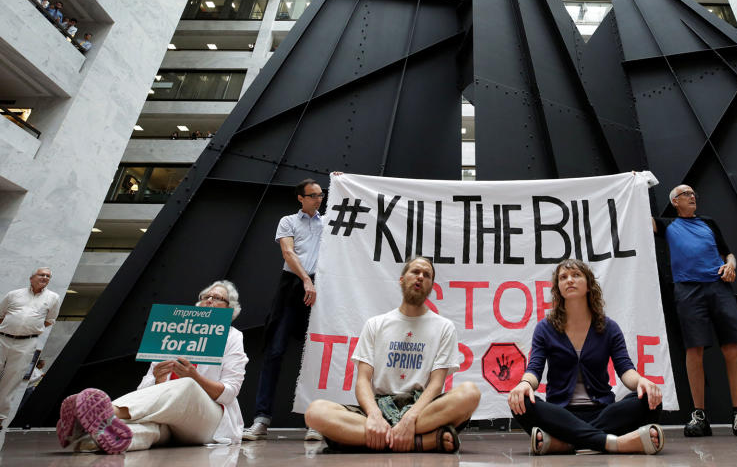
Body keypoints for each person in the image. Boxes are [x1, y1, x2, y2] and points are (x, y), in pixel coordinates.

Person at [305, 257, 480, 452]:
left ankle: (374, 439)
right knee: (315, 412)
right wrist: (374, 415)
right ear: (402, 279)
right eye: (415, 272)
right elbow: (363, 380)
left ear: (431, 285)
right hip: (380, 406)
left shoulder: (444, 327)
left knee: (470, 393)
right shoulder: (376, 324)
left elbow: (436, 384)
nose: (420, 277)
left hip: (422, 409)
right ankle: (422, 442)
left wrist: (411, 417)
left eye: (427, 275)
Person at [56, 281, 248, 453]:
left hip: (209, 420)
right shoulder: (174, 334)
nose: (209, 300)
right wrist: (158, 379)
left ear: (230, 309)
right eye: (206, 297)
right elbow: (144, 392)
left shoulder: (233, 337)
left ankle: (110, 411)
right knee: (151, 430)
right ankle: (87, 439)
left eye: (218, 298)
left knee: (188, 385)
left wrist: (195, 377)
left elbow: (230, 393)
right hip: (170, 420)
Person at [507, 260, 664, 455]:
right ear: (558, 289)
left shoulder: (609, 327)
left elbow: (625, 369)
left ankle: (567, 443)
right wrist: (524, 384)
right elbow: (534, 369)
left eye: (576, 275)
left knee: (650, 399)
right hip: (561, 414)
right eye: (563, 277)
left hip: (602, 411)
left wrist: (642, 382)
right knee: (520, 401)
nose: (569, 280)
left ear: (589, 285)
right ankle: (615, 443)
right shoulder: (545, 328)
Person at [652, 185, 737, 437]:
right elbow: (638, 216)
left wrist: (730, 265)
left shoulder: (708, 223)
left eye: (694, 193)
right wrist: (636, 183)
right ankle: (699, 415)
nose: (692, 196)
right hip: (687, 290)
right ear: (675, 202)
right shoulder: (668, 225)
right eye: (686, 194)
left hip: (718, 287)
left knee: (731, 347)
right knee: (694, 348)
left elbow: (728, 253)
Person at [243, 179, 327, 441]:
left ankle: (315, 421)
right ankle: (261, 420)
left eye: (320, 195)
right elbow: (288, 253)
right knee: (275, 351)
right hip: (293, 286)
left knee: (315, 355)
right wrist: (306, 280)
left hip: (320, 288)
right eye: (312, 195)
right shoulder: (288, 220)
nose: (318, 199)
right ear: (300, 198)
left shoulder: (328, 222)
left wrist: (342, 181)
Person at [0, 267, 60, 428]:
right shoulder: (14, 294)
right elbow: (1, 315)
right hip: (2, 339)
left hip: (27, 343)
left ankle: (0, 417)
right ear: (31, 277)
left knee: (12, 379)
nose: (45, 278)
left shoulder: (53, 297)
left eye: (48, 276)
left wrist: (29, 330)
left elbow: (49, 320)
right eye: (42, 275)